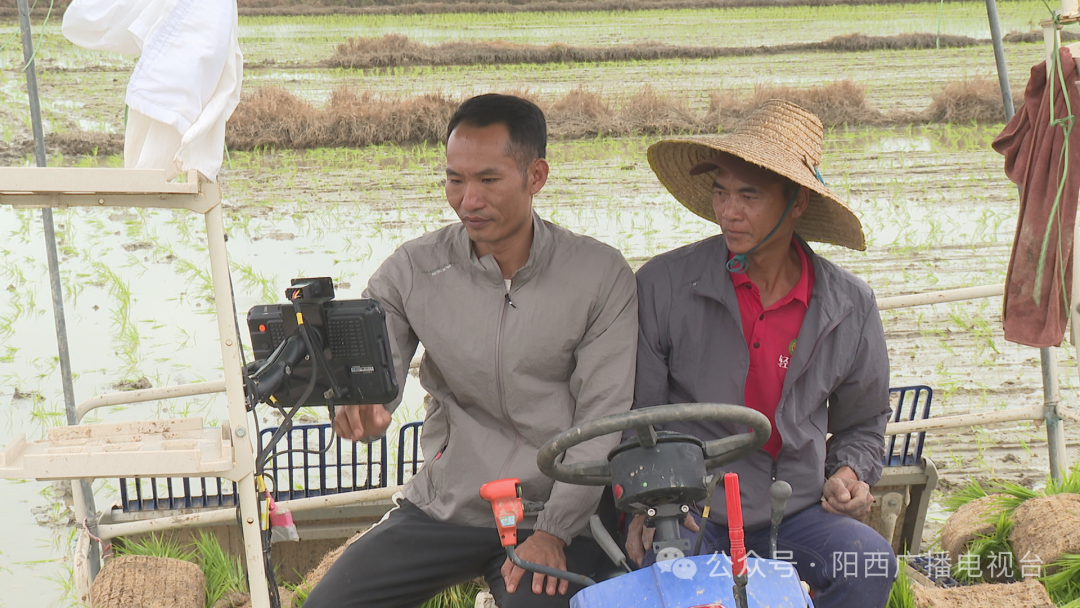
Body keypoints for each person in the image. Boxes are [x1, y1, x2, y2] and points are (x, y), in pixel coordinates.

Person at [303, 94, 638, 608]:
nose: (467, 200)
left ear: (536, 175)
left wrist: (554, 530)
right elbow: (375, 370)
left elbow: (602, 421)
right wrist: (363, 410)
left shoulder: (599, 275)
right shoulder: (413, 271)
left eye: (487, 180)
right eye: (454, 180)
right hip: (449, 503)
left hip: (552, 508)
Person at [626, 99, 896, 607]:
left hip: (794, 514)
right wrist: (652, 502)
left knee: (871, 563)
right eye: (720, 192)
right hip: (689, 514)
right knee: (678, 585)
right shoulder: (663, 286)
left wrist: (848, 474)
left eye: (749, 195)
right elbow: (639, 419)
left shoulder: (848, 305)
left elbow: (864, 422)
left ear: (797, 202)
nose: (728, 211)